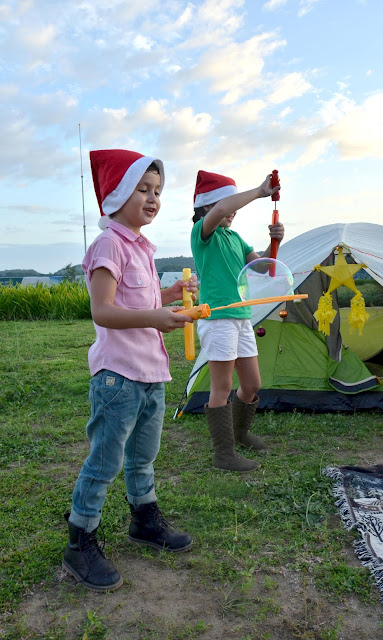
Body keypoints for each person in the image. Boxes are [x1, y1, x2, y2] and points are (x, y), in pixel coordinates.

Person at [62, 149, 197, 592]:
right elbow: (103, 311)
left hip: (151, 374)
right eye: (143, 189)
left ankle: (144, 519)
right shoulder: (109, 245)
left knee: (143, 457)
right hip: (118, 378)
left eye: (157, 190)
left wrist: (170, 293)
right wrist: (156, 317)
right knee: (105, 461)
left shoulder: (142, 248)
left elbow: (141, 300)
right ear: (118, 194)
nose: (153, 198)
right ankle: (80, 540)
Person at [191, 170, 284, 472]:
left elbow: (263, 268)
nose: (232, 211)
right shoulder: (203, 234)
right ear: (206, 206)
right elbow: (221, 210)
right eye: (226, 203)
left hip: (242, 317)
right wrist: (258, 191)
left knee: (253, 383)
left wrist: (275, 242)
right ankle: (223, 454)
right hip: (217, 318)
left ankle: (240, 433)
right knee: (221, 387)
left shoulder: (236, 238)